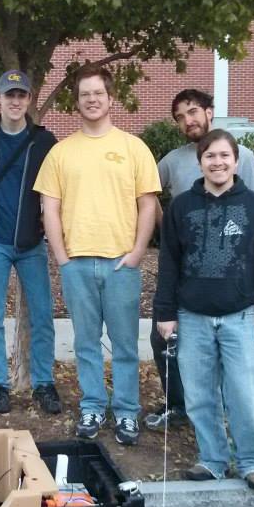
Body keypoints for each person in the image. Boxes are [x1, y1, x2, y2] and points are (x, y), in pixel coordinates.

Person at [34, 63, 160, 446]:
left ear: (111, 98)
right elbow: (49, 207)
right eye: (85, 94)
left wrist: (138, 252)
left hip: (122, 263)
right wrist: (62, 259)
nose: (92, 99)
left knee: (124, 344)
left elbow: (148, 203)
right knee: (86, 343)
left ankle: (125, 413)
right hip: (77, 264)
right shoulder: (61, 152)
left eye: (98, 93)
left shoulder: (132, 148)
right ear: (77, 101)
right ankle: (92, 405)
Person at [154, 129, 254, 489]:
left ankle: (251, 461)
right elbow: (169, 264)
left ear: (236, 160)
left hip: (240, 316)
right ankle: (212, 459)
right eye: (210, 156)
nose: (218, 162)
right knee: (199, 395)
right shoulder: (181, 207)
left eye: (225, 155)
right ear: (200, 162)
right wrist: (164, 313)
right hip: (191, 316)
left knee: (245, 393)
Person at [146, 88, 254, 432]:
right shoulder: (171, 160)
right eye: (180, 117)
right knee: (163, 337)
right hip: (183, 266)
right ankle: (179, 405)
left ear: (210, 111)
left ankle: (226, 410)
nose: (188, 121)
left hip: (228, 269)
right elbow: (146, 194)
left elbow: (253, 213)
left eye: (193, 112)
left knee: (224, 341)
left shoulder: (240, 156)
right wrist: (166, 230)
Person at [0, 70, 61, 415]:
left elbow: (57, 189)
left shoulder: (44, 141)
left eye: (21, 95)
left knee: (43, 313)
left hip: (30, 242)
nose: (15, 101)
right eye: (9, 95)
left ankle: (44, 383)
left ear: (29, 99)